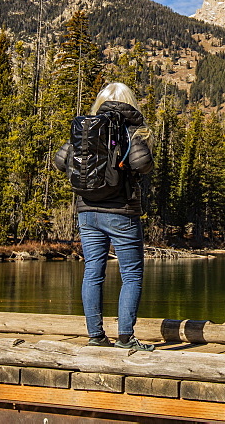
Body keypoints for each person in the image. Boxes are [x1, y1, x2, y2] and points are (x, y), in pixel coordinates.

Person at [54, 82, 155, 351]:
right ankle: (125, 337)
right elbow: (141, 164)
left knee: (93, 272)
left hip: (87, 211)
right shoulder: (131, 129)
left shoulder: (85, 130)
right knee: (131, 274)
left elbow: (60, 161)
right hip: (121, 212)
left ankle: (96, 335)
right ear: (129, 101)